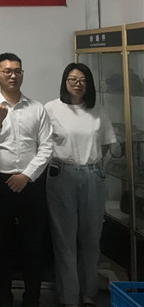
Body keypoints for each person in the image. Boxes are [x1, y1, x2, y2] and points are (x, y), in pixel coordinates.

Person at [0, 53, 53, 307]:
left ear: (22, 74)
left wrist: (27, 175)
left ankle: (32, 297)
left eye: (17, 71)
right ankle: (4, 297)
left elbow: (47, 146)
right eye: (7, 71)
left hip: (31, 183)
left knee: (34, 242)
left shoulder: (37, 108)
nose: (13, 75)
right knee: (1, 243)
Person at [45, 63, 116, 307]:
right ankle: (69, 297)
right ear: (65, 82)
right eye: (73, 79)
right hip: (62, 175)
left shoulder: (97, 110)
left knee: (91, 238)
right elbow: (43, 144)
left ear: (89, 84)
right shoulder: (51, 108)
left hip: (92, 176)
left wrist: (90, 164)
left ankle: (88, 293)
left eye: (83, 80)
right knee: (64, 240)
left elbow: (105, 144)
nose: (78, 83)